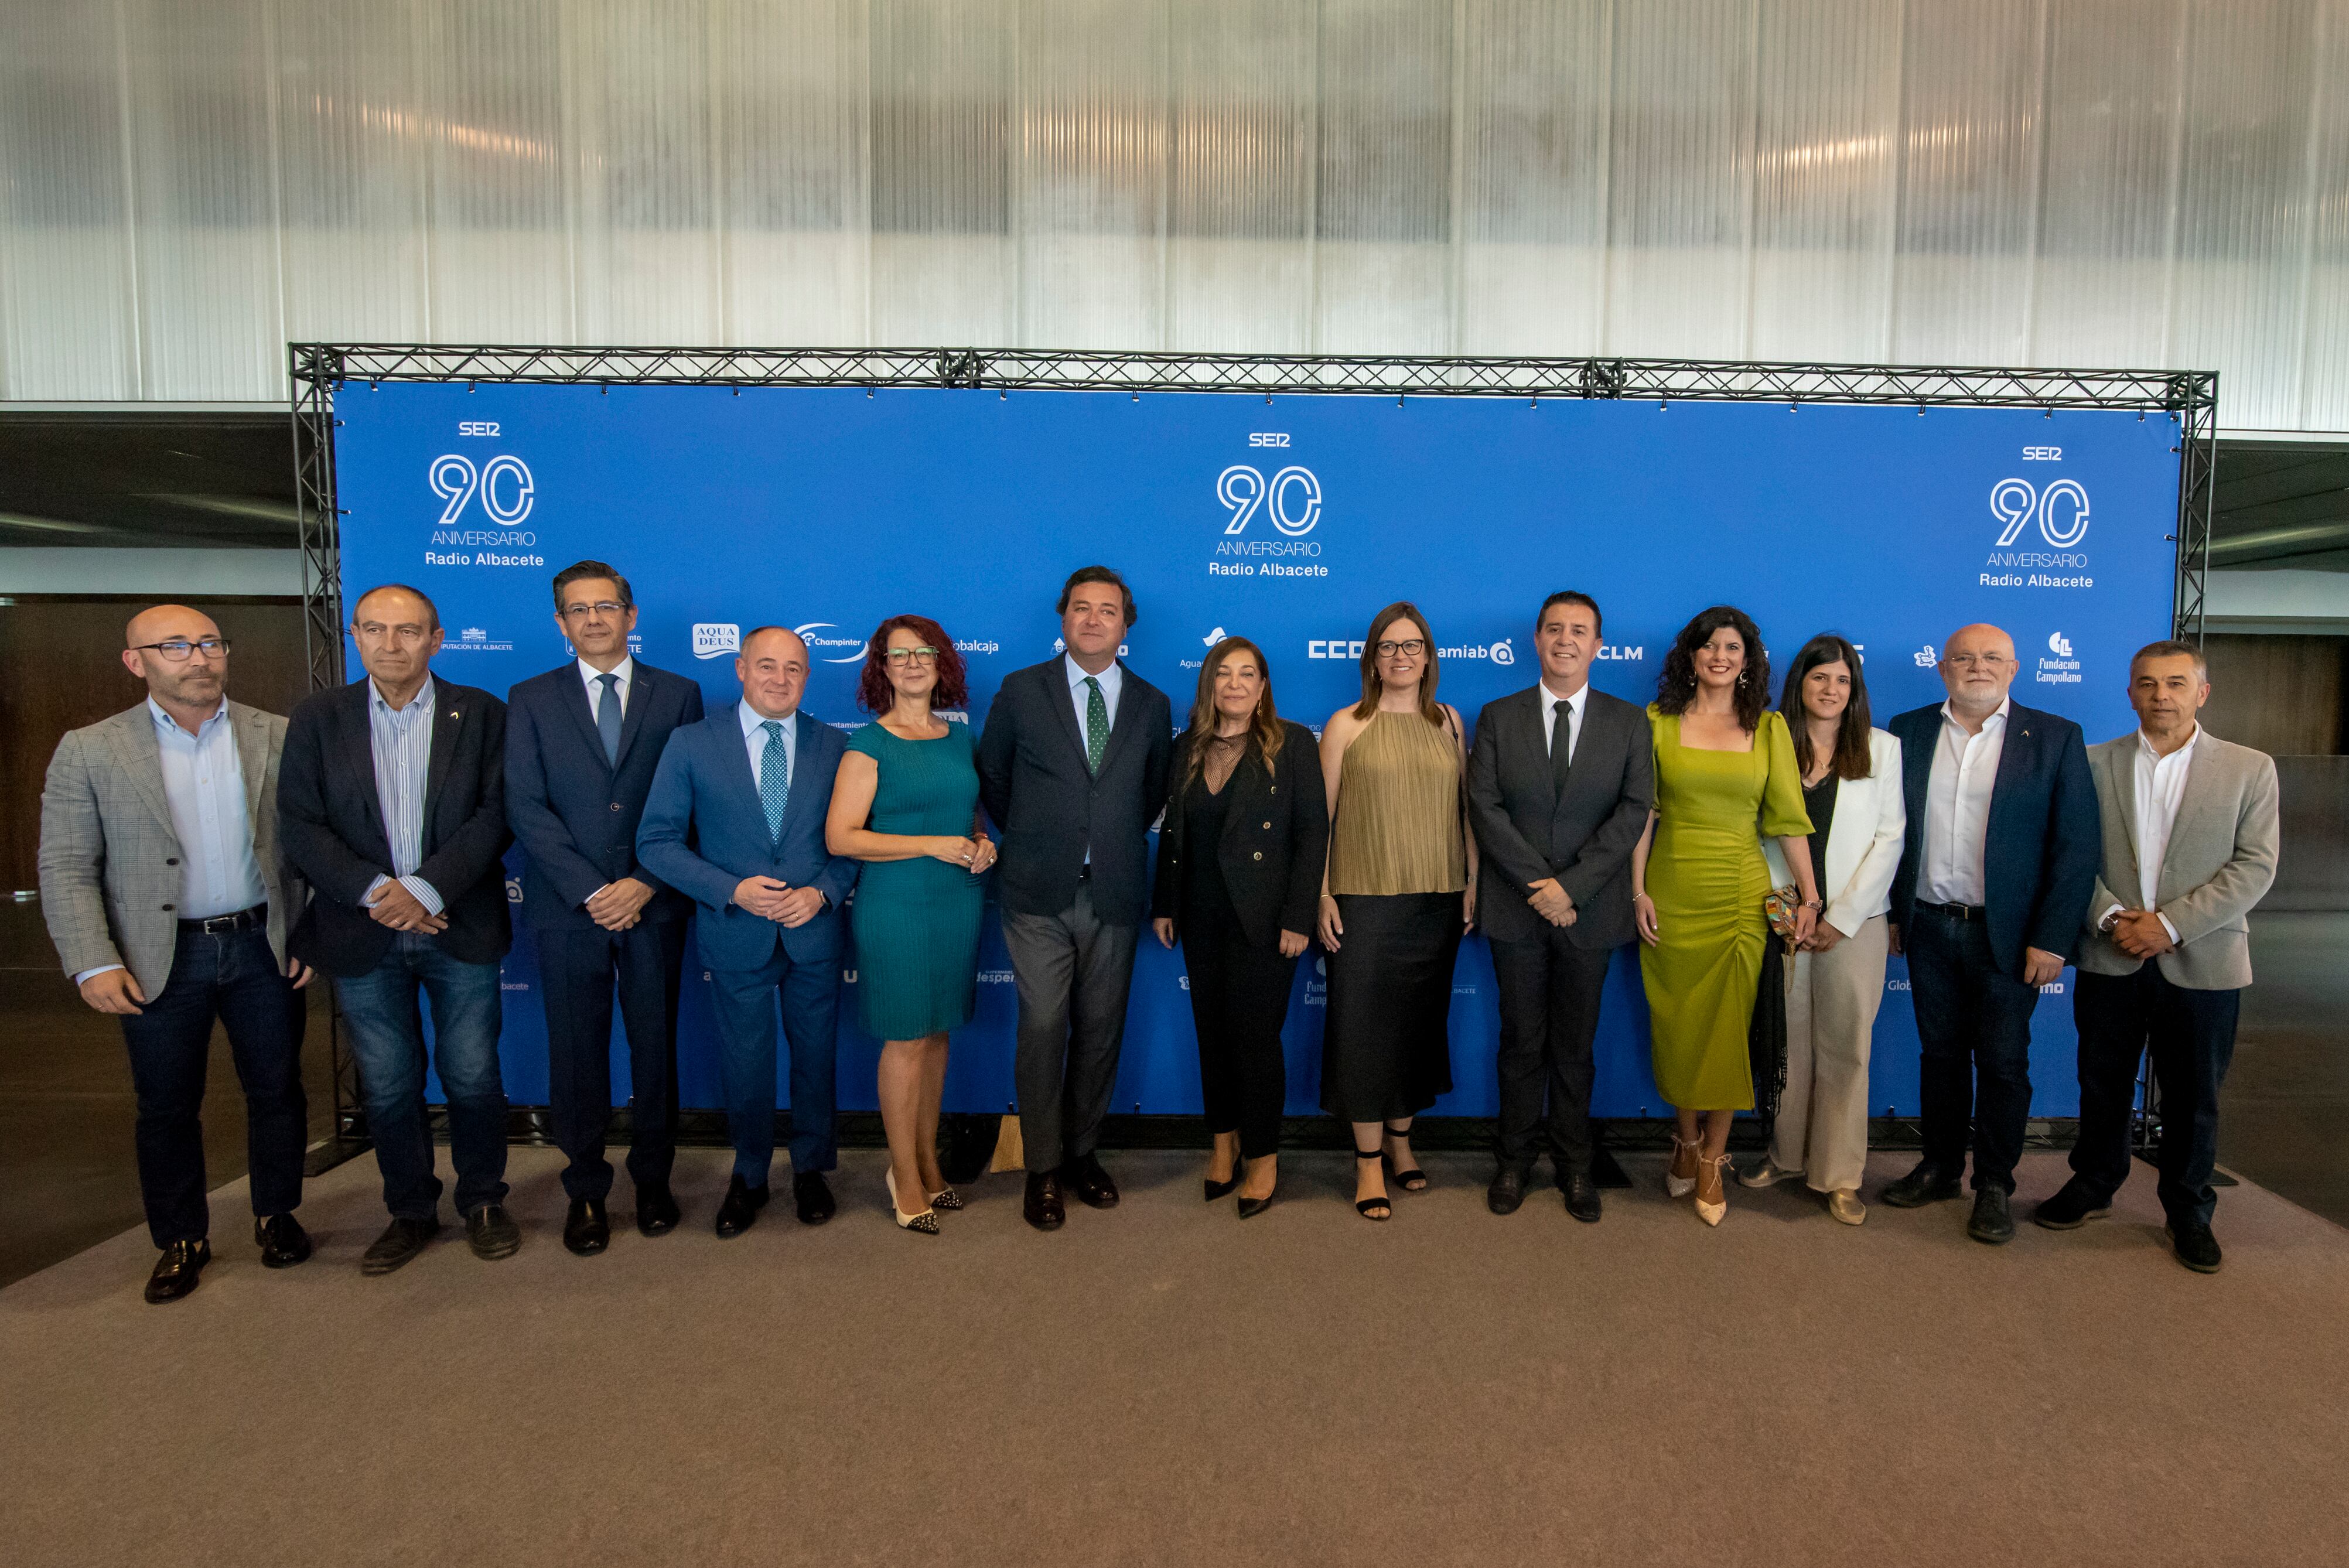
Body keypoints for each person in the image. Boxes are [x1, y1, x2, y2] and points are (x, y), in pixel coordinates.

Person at [37, 604, 313, 1304]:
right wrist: (91, 960)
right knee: (165, 1105)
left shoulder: (277, 735)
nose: (199, 657)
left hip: (263, 946)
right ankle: (181, 1237)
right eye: (175, 646)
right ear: (137, 661)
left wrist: (311, 931)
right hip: (160, 957)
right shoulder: (91, 748)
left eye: (210, 643)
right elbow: (66, 864)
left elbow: (310, 847)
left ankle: (276, 1213)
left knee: (277, 1091)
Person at [278, 583, 519, 1274]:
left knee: (473, 1076)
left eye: (408, 631)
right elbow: (300, 821)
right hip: (362, 931)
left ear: (436, 640)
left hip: (459, 924)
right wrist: (378, 894)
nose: (391, 644)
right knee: (387, 1085)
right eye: (376, 629)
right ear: (354, 636)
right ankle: (410, 1211)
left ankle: (482, 1200)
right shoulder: (319, 718)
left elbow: (496, 815)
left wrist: (423, 888)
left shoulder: (480, 714)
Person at [2035, 641, 2279, 1272]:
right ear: (2128, 692)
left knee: (2193, 1096)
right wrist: (2114, 918)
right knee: (2102, 1083)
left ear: (2201, 692)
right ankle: (2092, 1184)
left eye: (2174, 683)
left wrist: (2169, 925)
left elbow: (2254, 866)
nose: (2159, 695)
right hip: (2110, 953)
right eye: (2146, 683)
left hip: (2203, 962)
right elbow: (2068, 855)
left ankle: (2187, 1210)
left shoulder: (2249, 769)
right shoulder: (2090, 763)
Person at [505, 561, 706, 1255]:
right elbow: (526, 807)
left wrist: (645, 882)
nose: (593, 618)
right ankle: (585, 1190)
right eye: (577, 609)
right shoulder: (529, 697)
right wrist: (594, 891)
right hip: (570, 912)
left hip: (653, 903)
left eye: (606, 606)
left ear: (631, 614)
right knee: (576, 1056)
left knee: (654, 1052)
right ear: (560, 623)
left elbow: (691, 800)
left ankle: (653, 1180)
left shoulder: (679, 694)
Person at [1881, 622, 2099, 1245]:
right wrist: (1896, 912)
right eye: (1963, 657)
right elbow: (1892, 831)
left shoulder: (2054, 737)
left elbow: (2075, 847)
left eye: (1991, 658)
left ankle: (1994, 1184)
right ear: (1942, 668)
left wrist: (2053, 938)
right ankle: (1940, 1167)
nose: (1977, 666)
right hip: (1927, 925)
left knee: (2003, 1063)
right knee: (1939, 1056)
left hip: (2009, 937)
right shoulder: (1908, 730)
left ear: (2013, 668)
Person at [638, 626, 857, 1238]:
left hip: (812, 933)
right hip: (735, 931)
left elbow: (853, 844)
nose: (779, 679)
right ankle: (751, 1175)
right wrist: (729, 888)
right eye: (766, 665)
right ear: (739, 668)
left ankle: (812, 1169)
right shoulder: (690, 744)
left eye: (793, 668)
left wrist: (823, 892)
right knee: (746, 1063)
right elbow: (655, 841)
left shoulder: (836, 746)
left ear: (807, 677)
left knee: (816, 1060)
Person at [977, 566, 1173, 1232]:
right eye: (1081, 609)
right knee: (1041, 1027)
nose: (1093, 620)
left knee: (1099, 1031)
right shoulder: (1020, 690)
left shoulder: (1151, 703)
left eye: (1107, 611)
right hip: (1035, 891)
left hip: (1113, 890)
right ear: (1063, 618)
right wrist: (1043, 838)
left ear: (1126, 624)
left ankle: (1082, 1153)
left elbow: (1151, 794)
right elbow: (994, 780)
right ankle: (1041, 1167)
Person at [1466, 590, 1654, 1222]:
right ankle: (1513, 1161)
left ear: (1598, 645)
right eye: (1553, 629)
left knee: (1574, 1047)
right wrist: (1537, 887)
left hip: (1590, 911)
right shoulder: (1497, 715)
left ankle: (1575, 1164)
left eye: (1579, 631)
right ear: (1536, 639)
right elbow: (1484, 808)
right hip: (1516, 911)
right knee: (1519, 1043)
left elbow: (1633, 811)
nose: (1565, 640)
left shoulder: (1629, 722)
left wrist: (1570, 888)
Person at [1631, 606, 1818, 1227]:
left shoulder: (1766, 729)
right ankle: (1683, 1139)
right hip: (1671, 889)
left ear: (1746, 660)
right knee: (1680, 1024)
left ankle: (1713, 1155)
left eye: (1731, 647)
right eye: (1708, 646)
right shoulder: (1655, 723)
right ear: (1689, 656)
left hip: (1741, 896)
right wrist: (1637, 890)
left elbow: (1787, 821)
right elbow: (1642, 817)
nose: (1719, 656)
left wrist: (1809, 898)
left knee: (1730, 1030)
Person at [825, 615, 997, 1236]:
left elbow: (967, 818)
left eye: (924, 651)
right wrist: (930, 844)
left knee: (935, 1035)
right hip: (896, 906)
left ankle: (927, 1162)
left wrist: (982, 844)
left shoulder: (959, 737)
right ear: (881, 669)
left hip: (956, 900)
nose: (913, 662)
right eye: (899, 654)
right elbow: (841, 836)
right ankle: (902, 1175)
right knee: (903, 1039)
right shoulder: (869, 744)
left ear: (942, 662)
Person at [1150, 636, 1328, 1219]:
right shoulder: (1186, 748)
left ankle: (1263, 1156)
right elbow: (1173, 836)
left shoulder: (1293, 743)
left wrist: (1298, 916)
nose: (1234, 683)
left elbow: (1310, 834)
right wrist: (1163, 903)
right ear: (1209, 684)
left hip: (1266, 921)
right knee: (1212, 1033)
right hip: (1198, 916)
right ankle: (1222, 1141)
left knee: (1254, 1040)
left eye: (1246, 674)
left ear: (1262, 686)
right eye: (1222, 673)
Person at [1317, 602, 1477, 1222]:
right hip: (1361, 901)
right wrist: (1322, 892)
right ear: (1371, 658)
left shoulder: (1449, 724)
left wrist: (1470, 883)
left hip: (1435, 899)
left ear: (1428, 657)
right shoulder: (1345, 725)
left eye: (1412, 646)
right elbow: (1320, 821)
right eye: (1388, 647)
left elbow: (1464, 814)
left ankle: (1402, 1143)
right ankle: (1365, 1163)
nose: (1401, 657)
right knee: (1361, 1035)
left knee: (1416, 1028)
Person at [1737, 634, 1904, 1225]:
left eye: (1841, 680)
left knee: (1845, 1049)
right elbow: (1752, 833)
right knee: (1784, 1044)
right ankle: (1784, 1155)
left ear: (1853, 690)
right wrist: (1788, 912)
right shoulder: (1767, 741)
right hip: (1782, 918)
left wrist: (1838, 917)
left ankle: (1837, 1174)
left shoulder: (1882, 749)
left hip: (1853, 925)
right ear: (1798, 684)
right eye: (1818, 678)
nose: (1830, 690)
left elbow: (1889, 839)